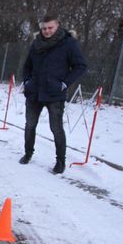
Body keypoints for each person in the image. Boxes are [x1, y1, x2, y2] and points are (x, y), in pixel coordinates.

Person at [20, 15, 88, 174]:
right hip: (34, 92)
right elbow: (27, 66)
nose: (47, 31)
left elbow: (81, 66)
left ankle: (60, 162)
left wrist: (64, 84)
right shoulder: (36, 44)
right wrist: (27, 82)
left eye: (50, 28)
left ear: (57, 26)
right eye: (44, 28)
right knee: (30, 125)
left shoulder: (69, 43)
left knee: (56, 128)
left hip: (54, 94)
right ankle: (28, 153)